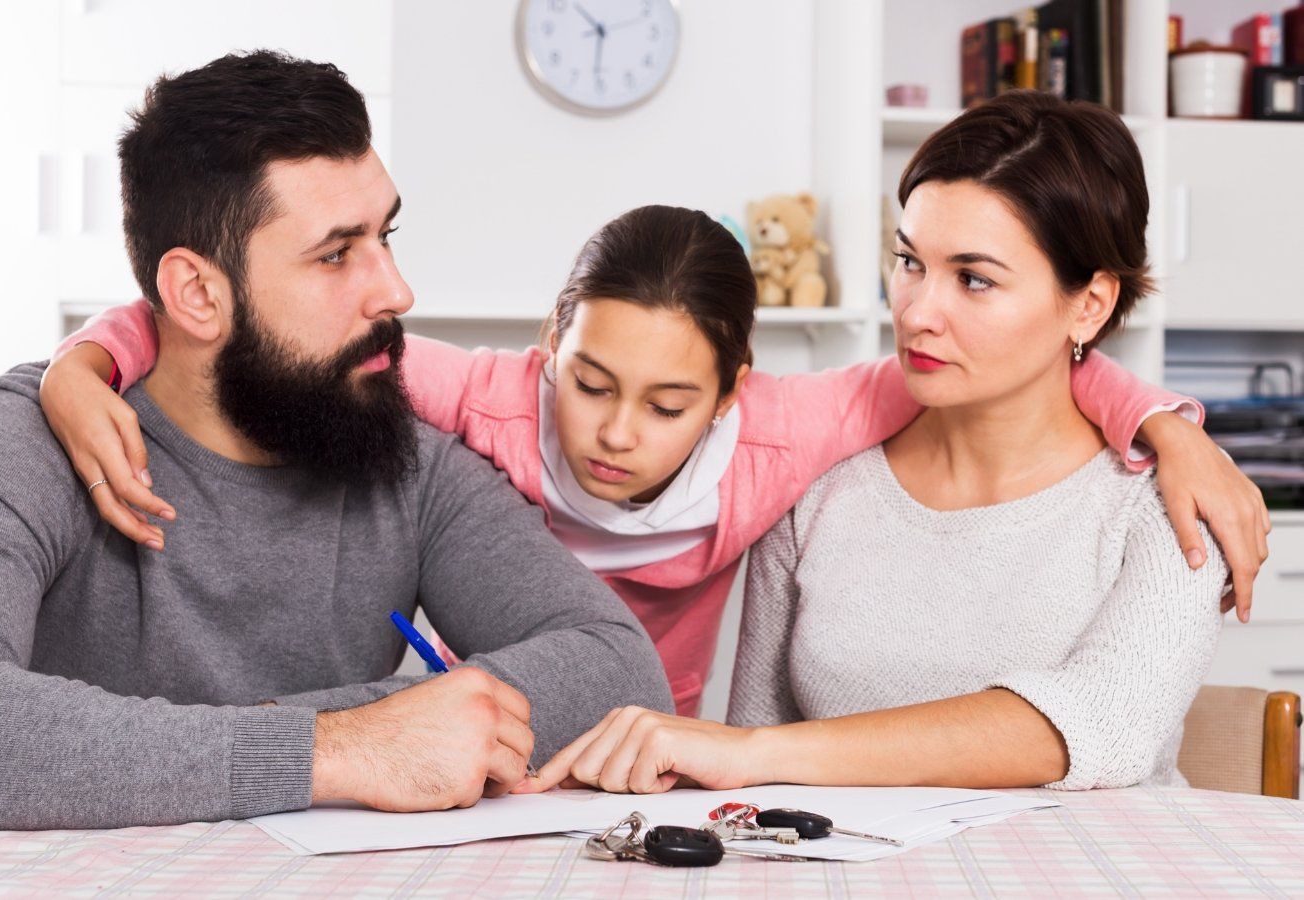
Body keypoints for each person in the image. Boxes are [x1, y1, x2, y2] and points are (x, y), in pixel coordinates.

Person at [0, 51, 672, 832]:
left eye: (386, 236)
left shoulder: (404, 458)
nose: (399, 290)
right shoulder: (24, 441)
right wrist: (341, 747)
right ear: (196, 292)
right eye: (337, 255)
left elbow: (616, 671)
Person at [45, 206, 1266, 716]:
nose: (616, 433)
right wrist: (83, 363)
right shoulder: (482, 396)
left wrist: (1165, 425)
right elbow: (266, 323)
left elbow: (1002, 359)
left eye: (669, 402)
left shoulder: (799, 427)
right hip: (480, 746)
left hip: (656, 759)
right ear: (546, 352)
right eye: (589, 385)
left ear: (733, 394)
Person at [515, 91, 1235, 794]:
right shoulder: (822, 483)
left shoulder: (1171, 495)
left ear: (1091, 303)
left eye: (974, 280)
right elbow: (752, 773)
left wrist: (758, 753)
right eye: (910, 262)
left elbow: (1104, 725)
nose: (919, 312)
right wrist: (748, 758)